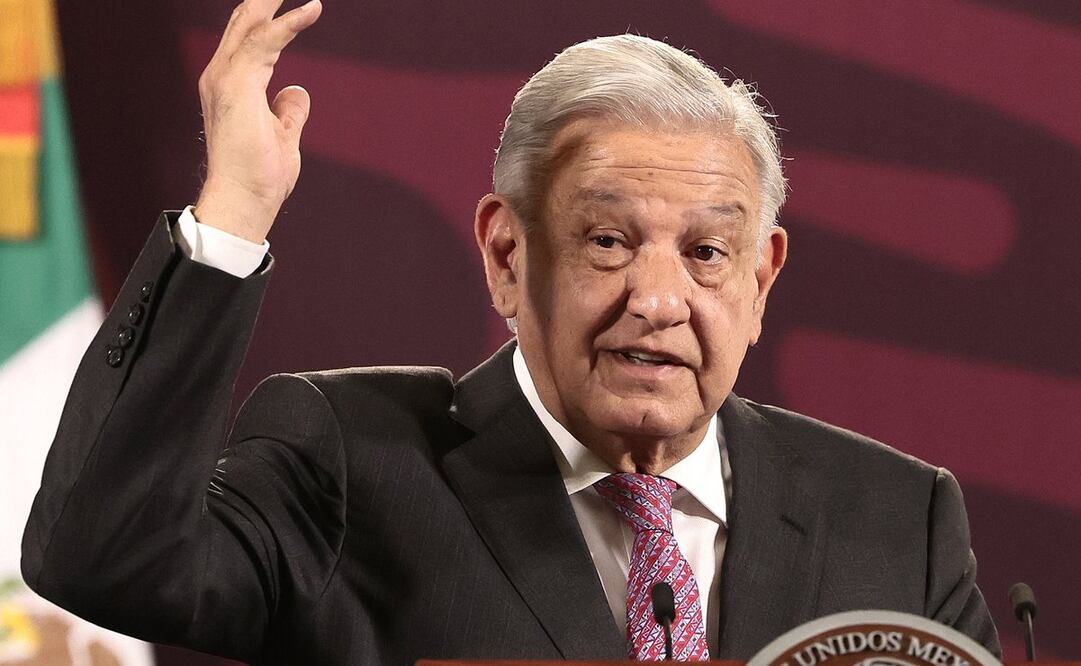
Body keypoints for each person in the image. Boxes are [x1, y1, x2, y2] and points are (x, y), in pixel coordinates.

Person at [22, 0, 1000, 663]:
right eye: (609, 241)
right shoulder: (352, 462)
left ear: (761, 276)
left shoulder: (896, 520)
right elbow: (100, 556)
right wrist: (232, 210)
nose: (658, 300)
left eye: (706, 253)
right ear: (504, 254)